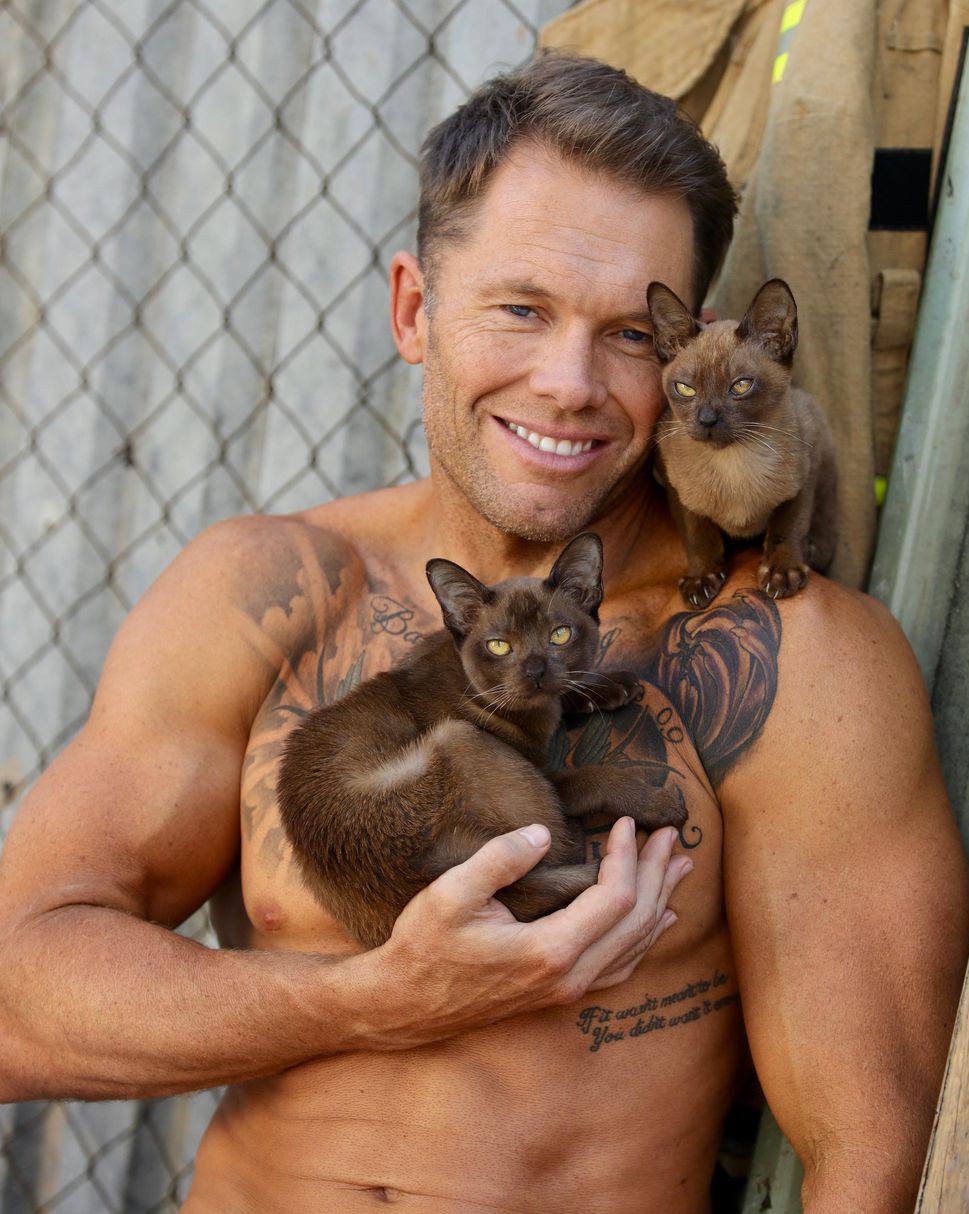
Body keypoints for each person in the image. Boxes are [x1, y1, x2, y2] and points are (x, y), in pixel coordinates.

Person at [0, 50, 965, 1214]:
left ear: (684, 349)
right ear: (416, 310)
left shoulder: (795, 659)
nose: (569, 382)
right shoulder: (264, 594)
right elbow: (15, 997)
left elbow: (874, 1147)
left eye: (628, 334)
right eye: (522, 309)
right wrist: (374, 999)